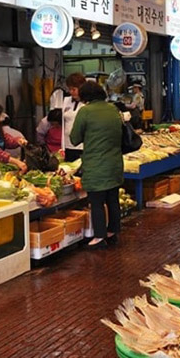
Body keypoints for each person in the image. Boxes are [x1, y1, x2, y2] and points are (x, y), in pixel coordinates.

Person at [70, 81, 123, 249]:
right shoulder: (113, 109)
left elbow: (74, 138)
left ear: (85, 96)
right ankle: (113, 231)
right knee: (113, 199)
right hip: (114, 162)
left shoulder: (85, 111)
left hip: (96, 164)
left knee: (97, 202)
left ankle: (99, 236)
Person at [62, 73, 86, 162]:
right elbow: (63, 125)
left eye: (74, 89)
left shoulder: (88, 103)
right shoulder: (66, 100)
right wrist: (62, 146)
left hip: (83, 145)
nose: (71, 92)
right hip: (68, 145)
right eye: (69, 89)